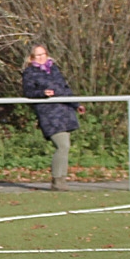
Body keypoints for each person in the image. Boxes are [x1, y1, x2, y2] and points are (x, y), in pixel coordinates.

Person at [21, 43, 85, 191]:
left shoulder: (54, 69)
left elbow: (65, 90)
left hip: (65, 112)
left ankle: (61, 180)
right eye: (37, 55)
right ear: (32, 57)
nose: (41, 57)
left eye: (43, 54)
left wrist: (76, 105)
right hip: (49, 113)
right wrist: (42, 93)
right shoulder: (29, 72)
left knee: (65, 147)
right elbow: (28, 92)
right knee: (63, 146)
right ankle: (57, 180)